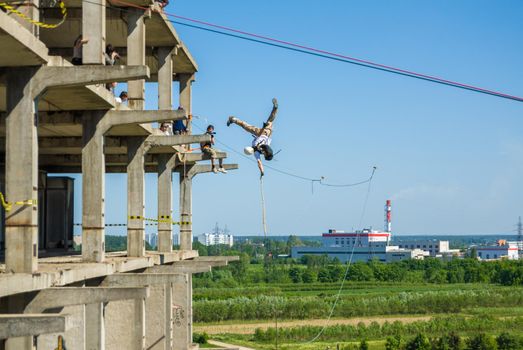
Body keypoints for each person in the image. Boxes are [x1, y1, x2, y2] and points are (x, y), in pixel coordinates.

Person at [227, 98, 278, 176]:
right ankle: (233, 119)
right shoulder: (257, 150)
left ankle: (275, 108)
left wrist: (262, 171)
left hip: (267, 132)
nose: (263, 155)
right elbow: (260, 137)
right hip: (260, 132)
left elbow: (259, 162)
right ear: (266, 153)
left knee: (270, 120)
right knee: (244, 125)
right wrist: (262, 171)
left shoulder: (260, 150)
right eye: (265, 155)